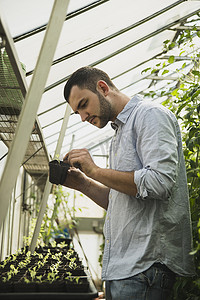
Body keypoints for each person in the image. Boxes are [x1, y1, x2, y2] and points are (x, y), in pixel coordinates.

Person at [62, 66, 195, 300]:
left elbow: (159, 182)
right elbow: (120, 202)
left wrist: (95, 170)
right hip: (124, 271)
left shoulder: (150, 115)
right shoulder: (119, 133)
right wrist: (84, 183)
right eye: (77, 113)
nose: (82, 117)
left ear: (103, 88)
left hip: (145, 269)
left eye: (83, 104)